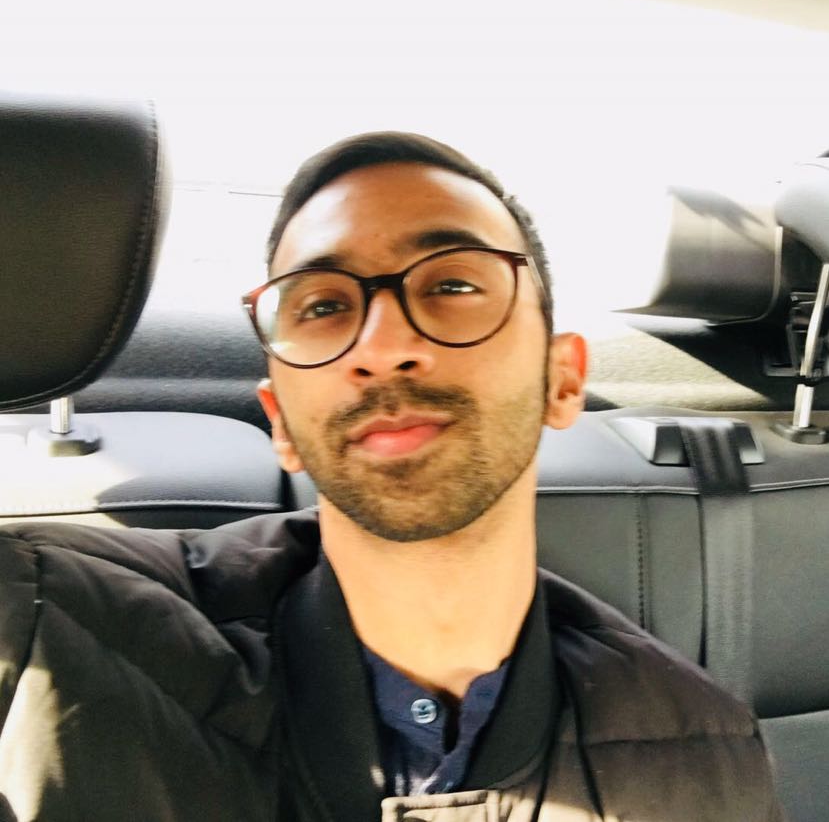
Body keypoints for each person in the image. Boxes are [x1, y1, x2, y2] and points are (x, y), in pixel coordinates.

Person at [0, 133, 783, 821]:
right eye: (322, 306)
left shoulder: (706, 754)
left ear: (562, 380)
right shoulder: (40, 632)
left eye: (451, 286)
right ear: (280, 420)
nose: (383, 346)